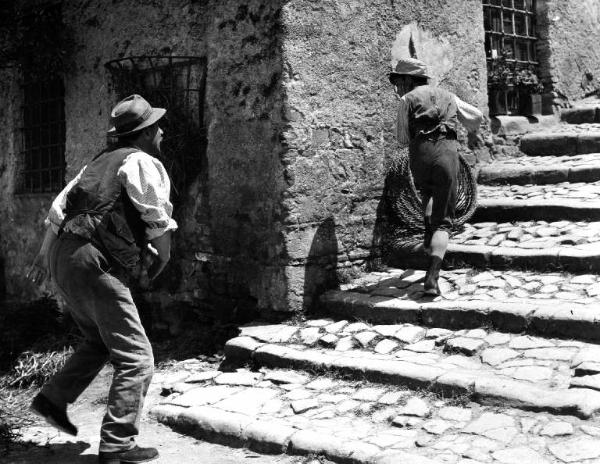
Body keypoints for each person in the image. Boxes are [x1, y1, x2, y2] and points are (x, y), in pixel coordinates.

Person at [26, 94, 177, 464]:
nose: (162, 132)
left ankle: (53, 399)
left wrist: (46, 257)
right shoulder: (142, 161)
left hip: (67, 256)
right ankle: (117, 444)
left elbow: (57, 211)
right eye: (157, 127)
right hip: (95, 262)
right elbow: (156, 217)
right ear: (144, 133)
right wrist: (164, 256)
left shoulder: (97, 163)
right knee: (137, 358)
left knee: (97, 340)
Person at [390, 58, 483, 296]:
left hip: (421, 155)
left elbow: (401, 139)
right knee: (445, 220)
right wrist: (468, 132)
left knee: (427, 192)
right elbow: (476, 116)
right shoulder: (449, 95)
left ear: (409, 79)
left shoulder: (406, 100)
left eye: (398, 80)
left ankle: (428, 234)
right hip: (447, 154)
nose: (397, 86)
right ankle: (432, 277)